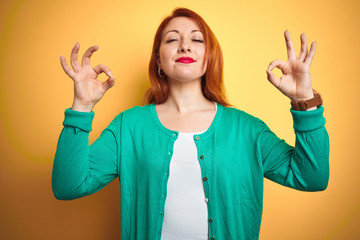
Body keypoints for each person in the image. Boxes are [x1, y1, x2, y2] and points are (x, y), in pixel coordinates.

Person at [52, 7, 329, 240]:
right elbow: (68, 186)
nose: (184, 45)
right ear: (159, 60)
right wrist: (82, 106)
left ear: (209, 59)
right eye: (172, 40)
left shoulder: (247, 130)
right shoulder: (129, 127)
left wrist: (305, 99)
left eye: (197, 40)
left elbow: (312, 178)